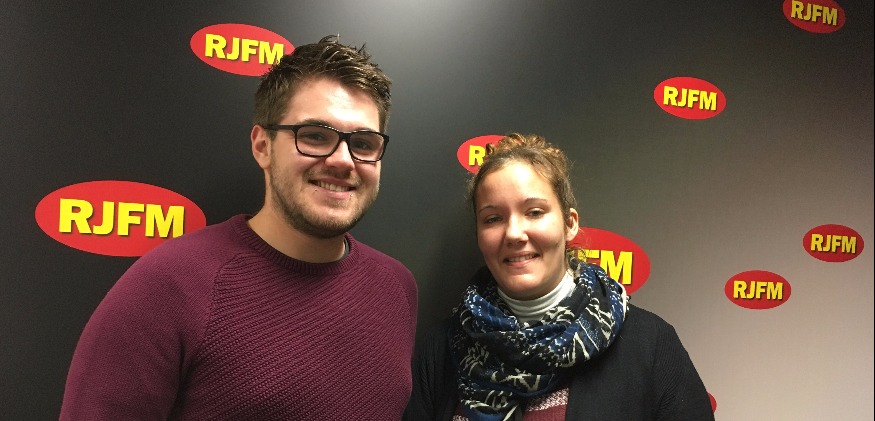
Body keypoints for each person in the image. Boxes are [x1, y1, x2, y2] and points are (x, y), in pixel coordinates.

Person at [60, 35, 418, 420]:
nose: (343, 160)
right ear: (263, 146)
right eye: (315, 136)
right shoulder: (168, 287)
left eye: (363, 143)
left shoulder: (397, 288)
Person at [404, 133, 713, 421]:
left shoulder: (650, 345)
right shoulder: (443, 349)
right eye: (493, 218)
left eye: (534, 212)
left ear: (569, 224)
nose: (514, 233)